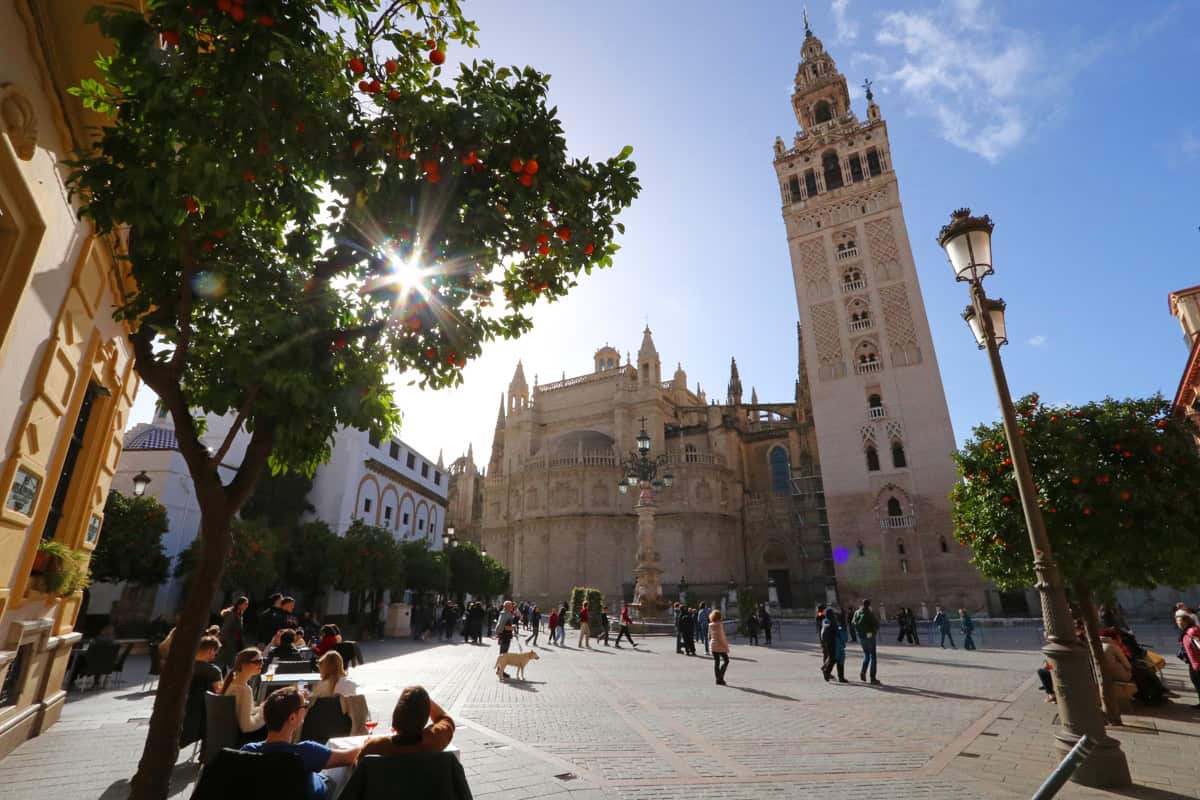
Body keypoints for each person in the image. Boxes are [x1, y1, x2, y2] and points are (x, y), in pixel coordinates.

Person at [242, 686, 361, 800]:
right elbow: (352, 756)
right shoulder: (306, 753)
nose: (306, 709)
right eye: (305, 706)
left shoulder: (248, 751)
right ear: (292, 718)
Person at [360, 685, 455, 757]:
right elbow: (446, 719)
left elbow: (356, 775)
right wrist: (421, 698)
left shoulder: (374, 747)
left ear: (395, 715)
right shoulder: (435, 740)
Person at [181, 636, 223, 748]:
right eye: (216, 652)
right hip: (203, 716)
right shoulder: (213, 670)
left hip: (183, 714)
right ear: (211, 651)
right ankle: (206, 753)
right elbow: (219, 692)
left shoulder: (183, 666)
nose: (215, 655)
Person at [221, 648, 267, 742]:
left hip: (227, 735)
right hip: (239, 739)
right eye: (257, 661)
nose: (261, 664)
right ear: (244, 665)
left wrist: (262, 708)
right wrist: (263, 714)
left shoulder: (233, 683)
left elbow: (244, 712)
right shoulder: (243, 689)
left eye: (262, 660)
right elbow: (246, 726)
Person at [852, 599, 881, 685]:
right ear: (869, 605)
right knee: (873, 656)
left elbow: (853, 623)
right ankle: (873, 678)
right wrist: (874, 631)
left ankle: (863, 672)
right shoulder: (869, 613)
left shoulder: (857, 612)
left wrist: (859, 632)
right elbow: (876, 624)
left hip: (861, 637)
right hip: (870, 636)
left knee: (866, 654)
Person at [217, 597, 248, 670]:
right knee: (225, 664)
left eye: (247, 604)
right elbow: (225, 629)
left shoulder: (239, 615)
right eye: (245, 604)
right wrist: (224, 641)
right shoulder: (232, 615)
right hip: (228, 644)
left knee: (230, 665)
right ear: (239, 605)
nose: (246, 606)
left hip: (234, 644)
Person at [1177, 613, 1200, 708]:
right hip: (1193, 663)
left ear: (1187, 621)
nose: (1179, 624)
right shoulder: (1187, 631)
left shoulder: (1193, 631)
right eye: (1177, 622)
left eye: (1181, 622)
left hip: (1198, 663)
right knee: (1196, 682)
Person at [495, 600, 519, 678]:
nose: (512, 607)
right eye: (511, 606)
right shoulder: (506, 614)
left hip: (504, 636)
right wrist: (513, 627)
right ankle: (500, 671)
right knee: (504, 655)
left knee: (503, 654)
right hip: (505, 637)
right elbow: (505, 627)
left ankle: (500, 670)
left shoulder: (504, 613)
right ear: (507, 607)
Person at [709, 610, 730, 685]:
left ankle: (718, 679)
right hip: (720, 645)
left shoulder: (710, 625)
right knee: (726, 660)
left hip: (713, 645)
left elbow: (709, 636)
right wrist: (726, 646)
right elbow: (721, 637)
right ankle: (720, 677)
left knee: (716, 662)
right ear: (719, 617)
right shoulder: (719, 625)